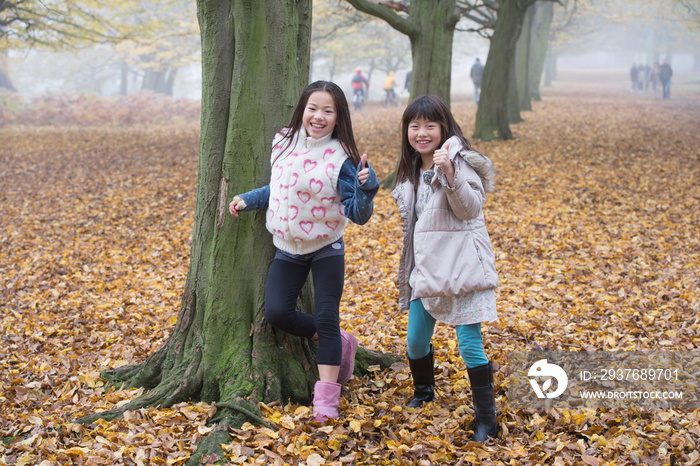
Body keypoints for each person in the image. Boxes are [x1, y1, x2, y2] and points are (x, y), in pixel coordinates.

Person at [229, 80, 379, 421]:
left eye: (328, 111)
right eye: (313, 108)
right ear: (302, 110)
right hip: (287, 246)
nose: (319, 116)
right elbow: (278, 186)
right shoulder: (284, 142)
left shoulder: (341, 159)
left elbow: (357, 214)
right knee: (277, 312)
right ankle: (341, 341)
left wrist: (366, 189)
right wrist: (248, 199)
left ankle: (326, 401)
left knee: (326, 316)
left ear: (338, 117)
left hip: (326, 245)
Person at [391, 95, 499, 442]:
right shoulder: (409, 171)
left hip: (460, 268)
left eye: (430, 126)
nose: (422, 133)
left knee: (469, 345)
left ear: (443, 128)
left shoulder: (459, 162)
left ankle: (487, 419)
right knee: (415, 342)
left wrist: (450, 172)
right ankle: (424, 392)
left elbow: (470, 209)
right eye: (415, 126)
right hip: (426, 271)